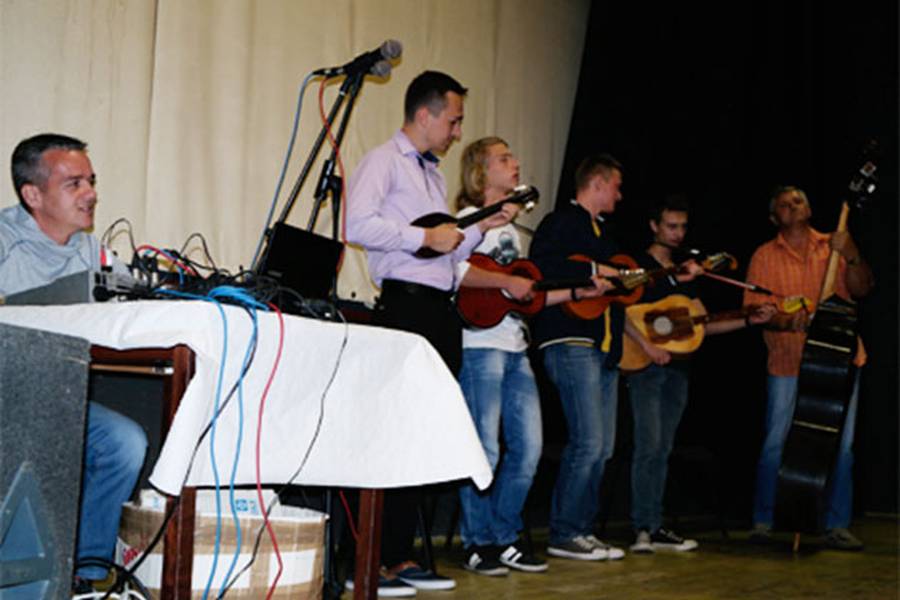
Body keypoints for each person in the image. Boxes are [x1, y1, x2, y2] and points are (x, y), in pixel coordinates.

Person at [345, 72, 532, 596]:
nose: (456, 132)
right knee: (393, 433)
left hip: (437, 311)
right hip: (405, 308)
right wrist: (424, 234)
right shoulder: (384, 161)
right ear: (424, 115)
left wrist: (481, 226)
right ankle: (368, 561)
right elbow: (356, 226)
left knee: (420, 435)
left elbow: (445, 251)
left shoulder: (431, 175)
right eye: (453, 120)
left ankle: (399, 555)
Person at [454, 138, 608, 576]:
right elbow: (453, 271)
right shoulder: (468, 220)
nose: (516, 162)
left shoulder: (513, 231)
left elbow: (528, 294)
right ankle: (477, 542)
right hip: (480, 347)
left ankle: (504, 536)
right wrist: (505, 282)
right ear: (481, 170)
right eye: (505, 158)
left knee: (529, 449)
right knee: (485, 449)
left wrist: (578, 292)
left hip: (515, 347)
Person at [0, 133, 148, 592]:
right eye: (74, 183)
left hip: (56, 392)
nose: (90, 194)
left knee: (123, 442)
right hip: (7, 390)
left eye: (91, 181)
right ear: (32, 195)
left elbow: (140, 301)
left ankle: (83, 575)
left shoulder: (91, 251)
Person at [623, 195, 774, 554]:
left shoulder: (686, 274)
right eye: (670, 226)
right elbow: (621, 315)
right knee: (648, 446)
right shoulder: (640, 267)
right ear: (654, 226)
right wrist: (648, 347)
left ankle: (655, 526)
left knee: (663, 448)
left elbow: (703, 324)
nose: (677, 234)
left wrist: (748, 319)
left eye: (682, 227)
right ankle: (642, 528)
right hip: (645, 366)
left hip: (678, 369)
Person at [744, 185, 873, 550]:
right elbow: (754, 310)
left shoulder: (835, 243)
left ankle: (836, 524)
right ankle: (764, 521)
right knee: (776, 443)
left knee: (841, 446)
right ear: (774, 218)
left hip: (837, 358)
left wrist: (851, 255)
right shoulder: (764, 255)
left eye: (798, 200)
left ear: (810, 208)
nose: (793, 205)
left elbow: (862, 289)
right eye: (784, 204)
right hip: (788, 360)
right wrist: (788, 322)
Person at [529, 154, 629, 561]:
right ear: (598, 183)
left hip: (602, 347)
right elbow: (542, 266)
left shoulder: (604, 233)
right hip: (570, 339)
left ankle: (582, 530)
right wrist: (597, 269)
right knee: (587, 442)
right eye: (616, 187)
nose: (619, 196)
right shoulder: (561, 222)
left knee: (602, 447)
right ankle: (565, 532)